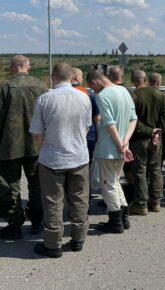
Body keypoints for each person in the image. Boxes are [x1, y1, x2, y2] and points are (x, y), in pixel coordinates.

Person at [30, 62, 92, 258]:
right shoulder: (84, 97)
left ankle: (53, 244)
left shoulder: (44, 100)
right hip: (79, 157)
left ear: (53, 77)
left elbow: (37, 133)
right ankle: (78, 239)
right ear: (72, 76)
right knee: (80, 199)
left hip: (52, 159)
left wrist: (43, 151)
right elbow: (87, 127)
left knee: (52, 201)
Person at [0, 55, 47, 240]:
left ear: (12, 68)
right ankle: (37, 222)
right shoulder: (41, 86)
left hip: (9, 146)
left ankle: (15, 223)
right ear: (28, 67)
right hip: (37, 144)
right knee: (37, 184)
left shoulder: (4, 87)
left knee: (10, 185)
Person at [86, 70, 137, 234]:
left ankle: (115, 222)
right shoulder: (124, 91)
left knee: (108, 184)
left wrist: (118, 144)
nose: (93, 91)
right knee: (115, 181)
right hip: (123, 145)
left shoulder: (102, 96)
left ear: (95, 81)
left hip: (108, 148)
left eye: (92, 87)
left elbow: (109, 123)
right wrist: (125, 142)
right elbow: (133, 118)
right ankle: (124, 218)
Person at [125, 71, 165, 216]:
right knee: (155, 169)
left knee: (140, 171)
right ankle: (156, 202)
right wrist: (157, 132)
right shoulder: (160, 95)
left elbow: (133, 121)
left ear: (132, 81)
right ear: (145, 79)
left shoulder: (133, 97)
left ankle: (141, 204)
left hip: (139, 139)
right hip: (156, 139)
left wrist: (149, 131)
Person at [72, 68, 101, 161]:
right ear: (76, 77)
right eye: (81, 77)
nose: (82, 79)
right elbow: (97, 118)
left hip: (69, 135)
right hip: (89, 135)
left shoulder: (61, 93)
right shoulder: (89, 94)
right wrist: (99, 136)